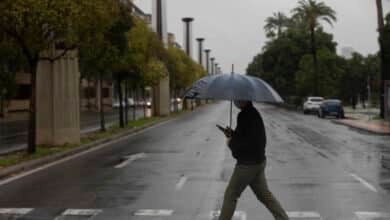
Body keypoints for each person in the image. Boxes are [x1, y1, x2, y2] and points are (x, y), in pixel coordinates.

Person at [218, 100, 289, 220]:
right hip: (259, 163)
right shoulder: (254, 113)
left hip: (247, 165)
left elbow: (245, 145)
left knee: (231, 195)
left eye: (238, 98)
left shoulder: (244, 116)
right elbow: (249, 138)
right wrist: (233, 134)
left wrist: (231, 142)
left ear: (243, 100)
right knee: (265, 196)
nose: (235, 100)